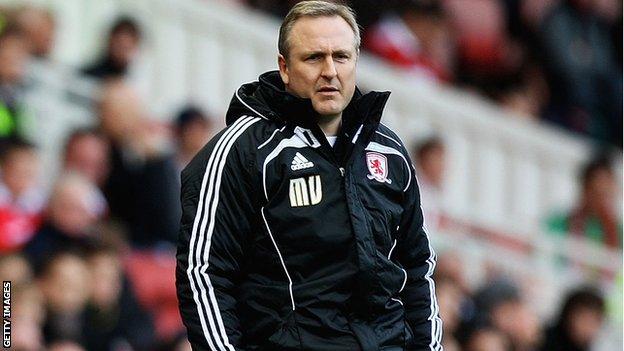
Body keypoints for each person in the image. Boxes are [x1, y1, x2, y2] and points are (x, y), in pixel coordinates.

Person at [176, 1, 442, 350]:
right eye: (314, 57)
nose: (330, 70)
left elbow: (416, 267)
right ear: (284, 68)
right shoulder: (243, 151)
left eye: (341, 57)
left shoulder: (389, 151)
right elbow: (204, 272)